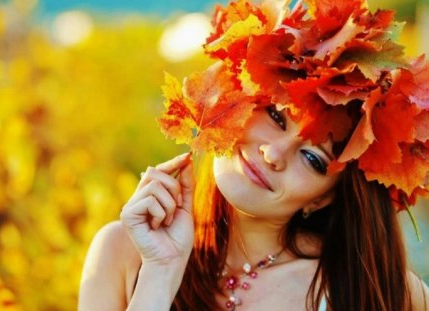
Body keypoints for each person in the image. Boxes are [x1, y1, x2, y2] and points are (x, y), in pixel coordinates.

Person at [78, 0, 429, 310]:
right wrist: (160, 275)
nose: (274, 153)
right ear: (237, 100)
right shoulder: (123, 253)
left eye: (313, 159)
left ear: (323, 199)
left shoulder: (370, 290)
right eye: (276, 116)